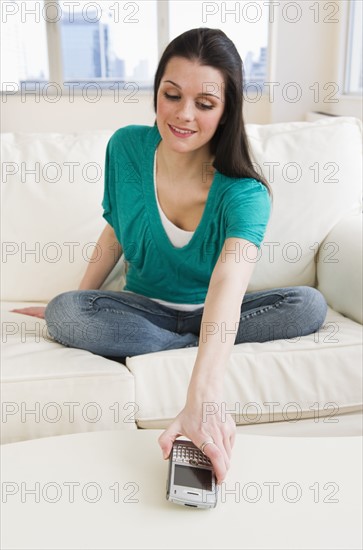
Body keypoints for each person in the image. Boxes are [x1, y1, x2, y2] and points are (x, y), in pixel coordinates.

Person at [12, 28, 328, 484]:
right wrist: (78, 302)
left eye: (204, 103)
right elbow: (116, 231)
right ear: (156, 91)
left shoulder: (245, 193)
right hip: (145, 310)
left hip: (215, 313)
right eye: (172, 95)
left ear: (226, 111)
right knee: (66, 311)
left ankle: (199, 347)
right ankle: (191, 344)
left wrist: (205, 395)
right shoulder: (126, 148)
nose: (183, 114)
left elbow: (228, 283)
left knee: (307, 305)